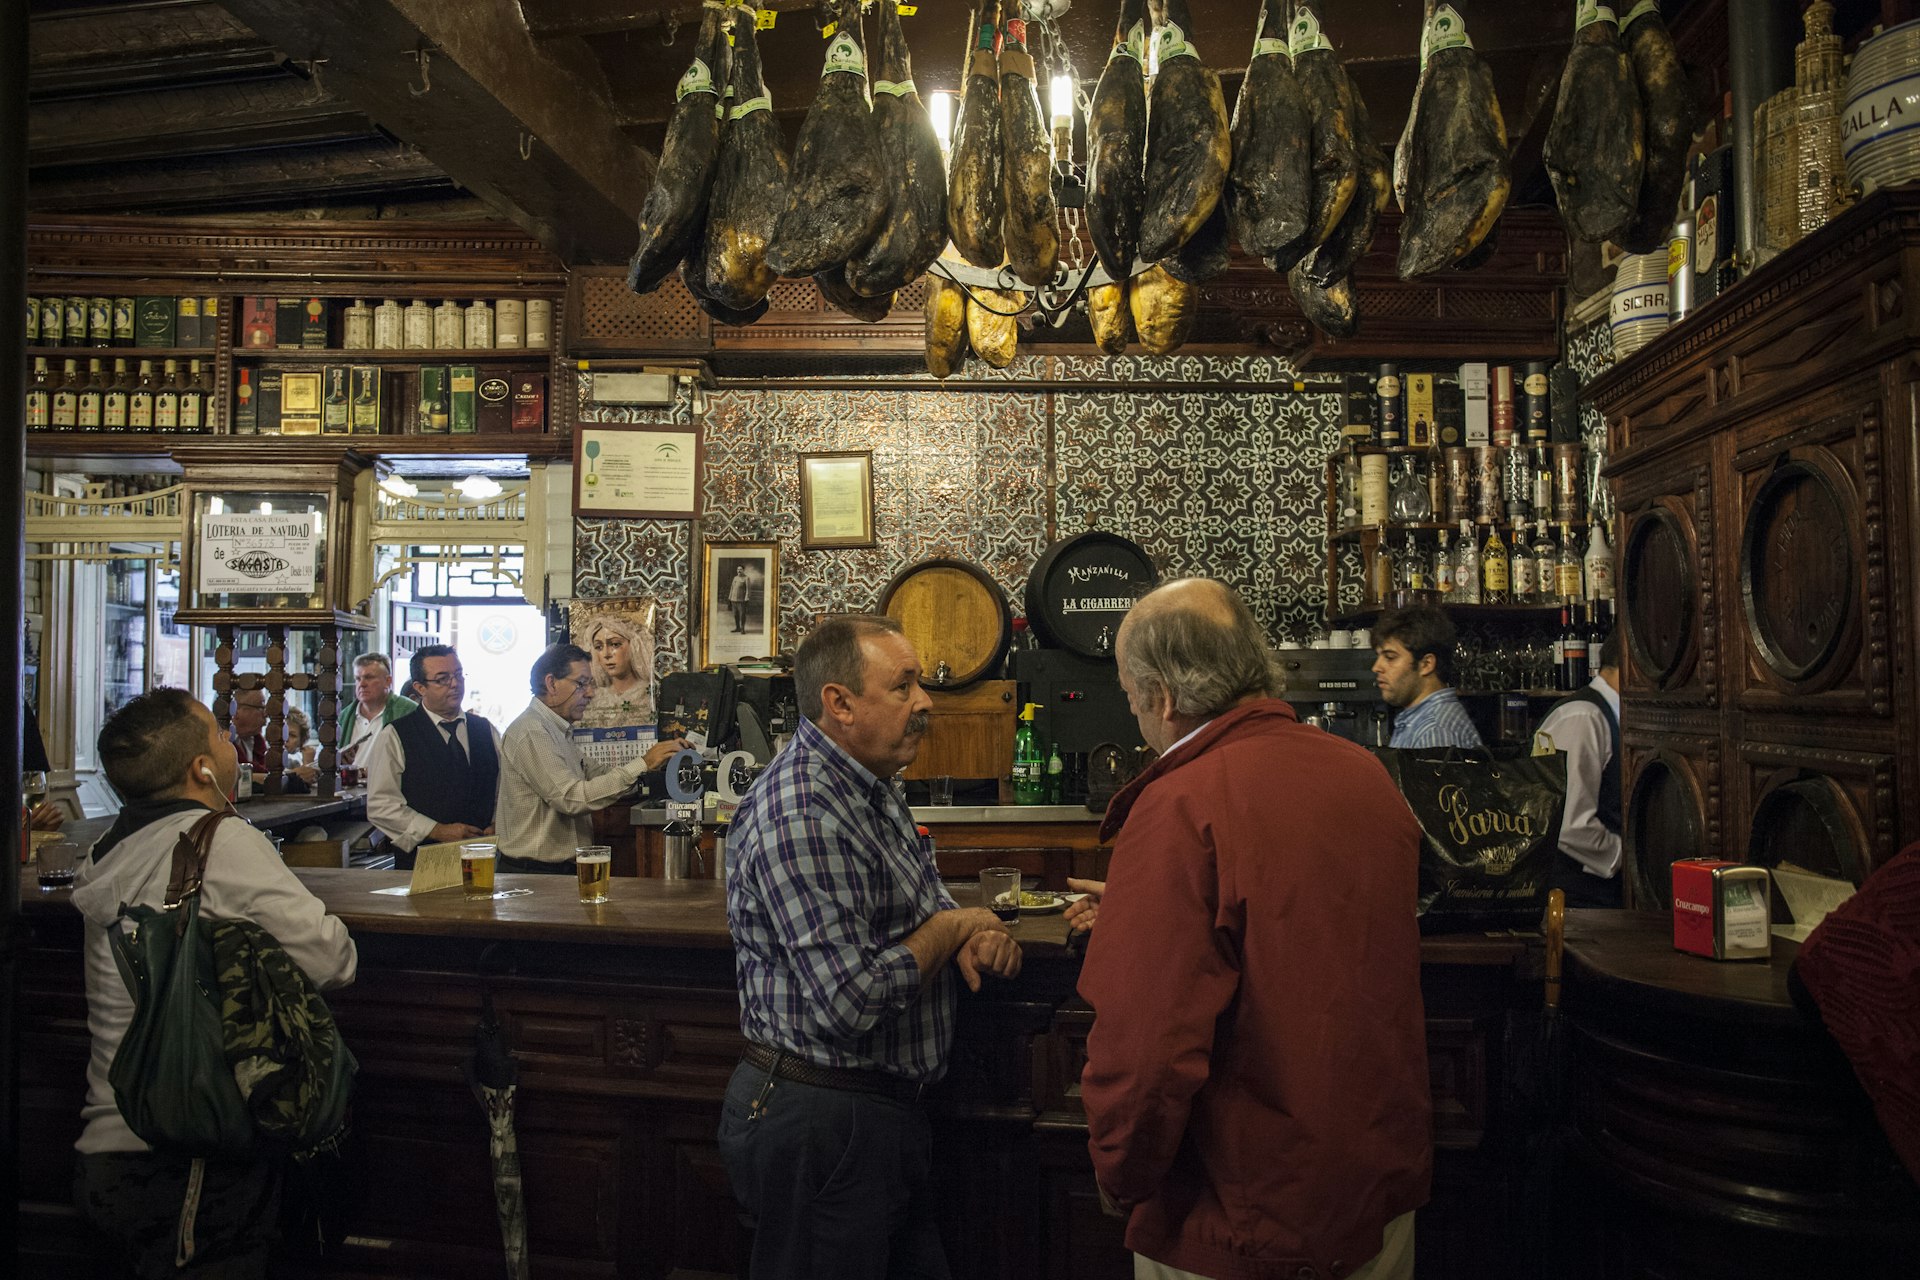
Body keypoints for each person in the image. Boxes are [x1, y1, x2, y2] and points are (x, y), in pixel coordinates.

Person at [1075, 579, 1431, 1280]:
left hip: (1241, 1221)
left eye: (1128, 694)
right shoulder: (1366, 775)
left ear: (1162, 698)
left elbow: (1148, 1050)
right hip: (1375, 1197)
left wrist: (1120, 1172)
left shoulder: (1179, 804)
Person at [717, 613, 1022, 1279]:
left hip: (875, 1117)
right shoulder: (805, 810)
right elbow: (850, 1002)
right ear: (840, 703)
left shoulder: (870, 783)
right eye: (904, 686)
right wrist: (957, 929)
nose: (925, 702)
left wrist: (966, 932)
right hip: (823, 1124)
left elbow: (922, 899)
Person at [69, 687, 357, 1278]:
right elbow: (333, 960)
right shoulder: (216, 842)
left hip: (110, 1141)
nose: (229, 742)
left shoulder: (103, 850)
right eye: (219, 734)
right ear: (202, 768)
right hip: (188, 1156)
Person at [496, 643, 688, 873]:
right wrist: (643, 763)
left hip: (558, 872)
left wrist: (655, 764)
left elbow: (600, 776)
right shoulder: (532, 731)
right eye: (581, 683)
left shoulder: (558, 730)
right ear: (551, 683)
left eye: (590, 684)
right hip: (536, 873)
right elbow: (571, 798)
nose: (590, 693)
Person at [362, 644, 502, 870]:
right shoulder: (396, 735)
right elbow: (382, 805)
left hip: (482, 859)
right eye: (442, 679)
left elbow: (502, 787)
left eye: (458, 675)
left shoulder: (485, 730)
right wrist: (437, 830)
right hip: (424, 863)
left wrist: (498, 821)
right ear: (420, 687)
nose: (455, 684)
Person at [1536, 627, 1623, 907]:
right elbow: (1569, 824)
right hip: (1578, 896)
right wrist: (1626, 857)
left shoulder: (1606, 713)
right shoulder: (1583, 717)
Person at [1372, 604, 1484, 749]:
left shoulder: (1433, 731)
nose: (1376, 667)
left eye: (1390, 657)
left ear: (1426, 664)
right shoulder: (1421, 720)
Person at [338, 653, 418, 767]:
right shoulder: (343, 717)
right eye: (358, 678)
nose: (362, 684)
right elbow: (322, 759)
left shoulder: (409, 711)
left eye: (369, 677)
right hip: (349, 783)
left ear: (388, 681)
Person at [580, 613, 655, 730]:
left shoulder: (651, 694)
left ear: (634, 646)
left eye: (615, 644)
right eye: (599, 647)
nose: (606, 654)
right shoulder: (593, 697)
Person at [229, 686, 271, 774]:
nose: (266, 714)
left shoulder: (257, 742)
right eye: (261, 707)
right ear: (236, 710)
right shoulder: (220, 741)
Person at [728, 564, 751, 634]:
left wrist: (747, 597)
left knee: (742, 615)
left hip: (741, 600)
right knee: (735, 615)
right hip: (733, 600)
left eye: (740, 569)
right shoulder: (735, 578)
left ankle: (742, 629)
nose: (739, 571)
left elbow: (748, 589)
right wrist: (730, 597)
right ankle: (737, 628)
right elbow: (732, 588)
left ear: (743, 570)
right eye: (738, 569)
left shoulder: (746, 578)